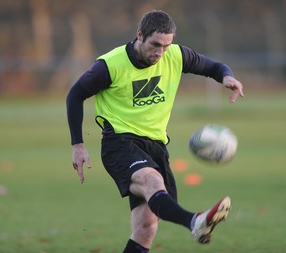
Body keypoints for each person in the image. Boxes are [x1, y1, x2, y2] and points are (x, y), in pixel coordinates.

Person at [66, 10, 244, 252]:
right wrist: (78, 145)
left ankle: (192, 222)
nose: (160, 52)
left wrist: (227, 77)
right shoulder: (111, 65)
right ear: (140, 35)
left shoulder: (176, 55)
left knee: (146, 228)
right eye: (155, 45)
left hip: (156, 146)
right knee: (152, 180)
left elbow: (215, 66)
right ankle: (196, 222)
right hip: (119, 142)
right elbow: (75, 95)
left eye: (166, 46)